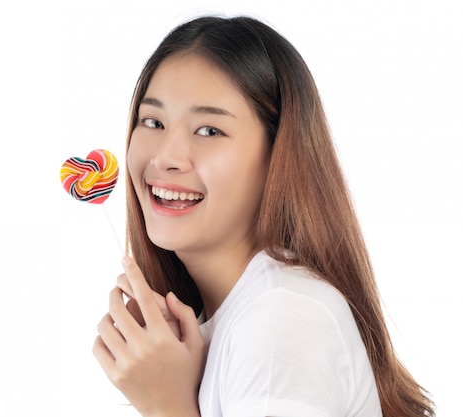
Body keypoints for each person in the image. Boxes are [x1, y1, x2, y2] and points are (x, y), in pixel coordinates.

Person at [92, 15, 435, 417]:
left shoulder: (280, 322)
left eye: (209, 131)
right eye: (153, 122)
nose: (165, 157)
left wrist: (168, 406)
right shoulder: (237, 319)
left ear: (278, 155)